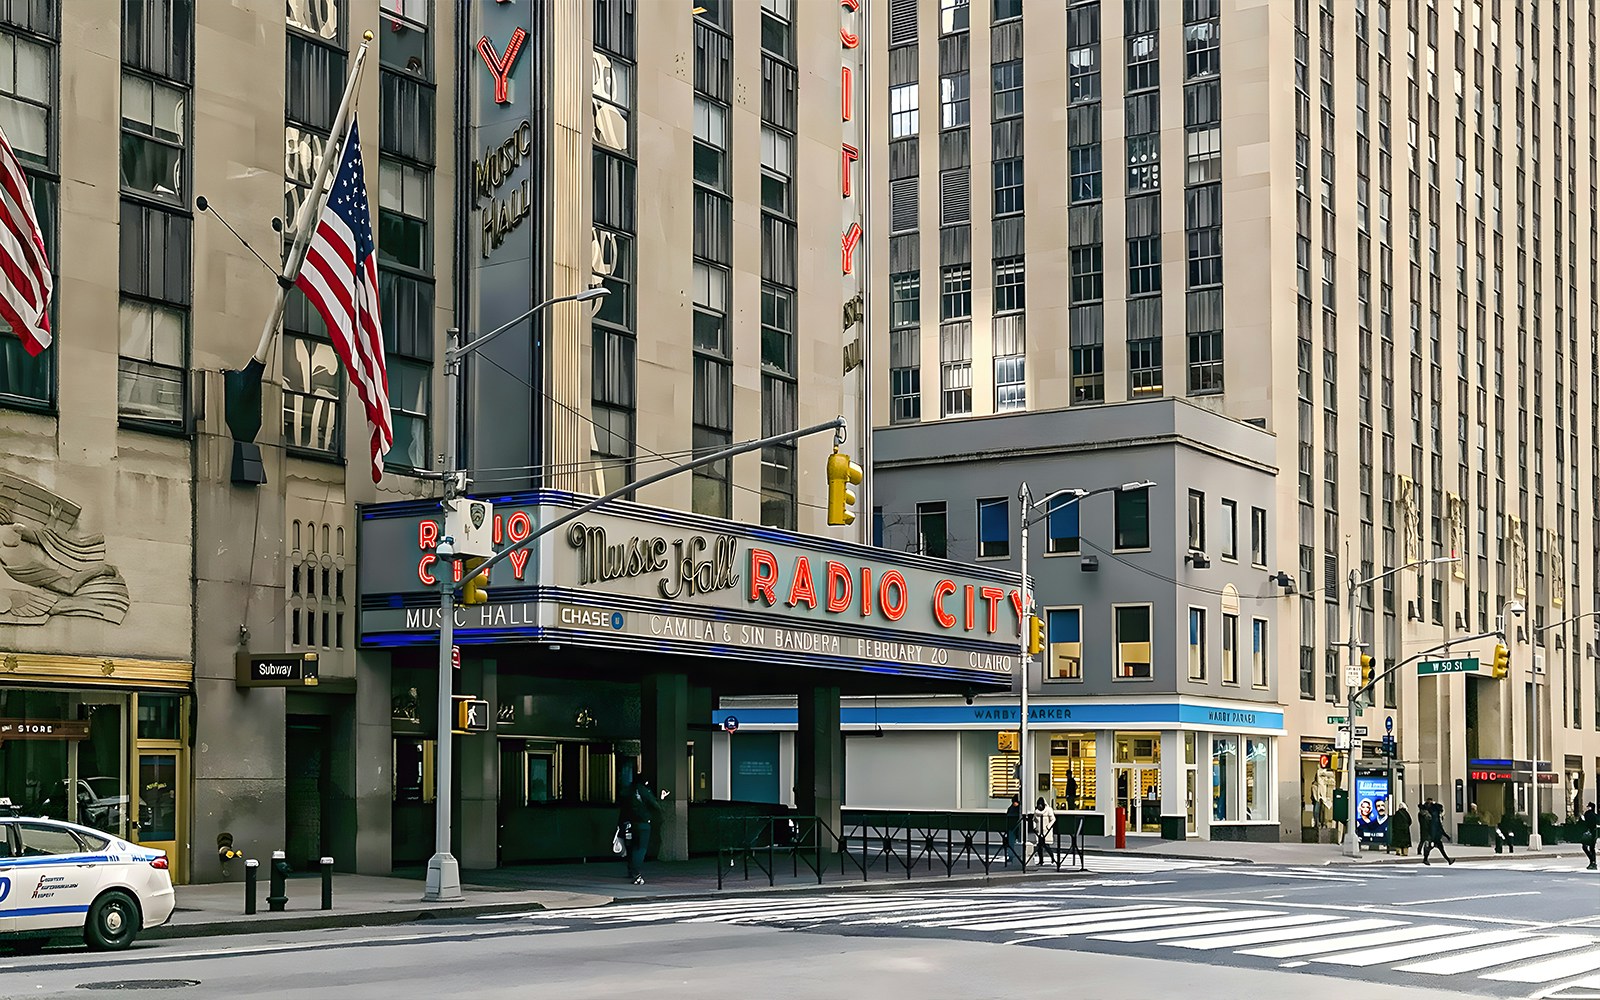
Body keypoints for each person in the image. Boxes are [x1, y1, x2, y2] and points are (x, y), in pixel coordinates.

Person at [617, 772, 666, 885]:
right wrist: (661, 798)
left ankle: (631, 870)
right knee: (641, 848)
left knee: (633, 847)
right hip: (643, 823)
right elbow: (655, 806)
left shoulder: (628, 792)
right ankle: (636, 873)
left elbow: (623, 810)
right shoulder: (645, 791)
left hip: (630, 824)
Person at [1421, 799, 1453, 865]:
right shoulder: (1435, 816)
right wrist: (1445, 835)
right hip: (1434, 835)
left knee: (1433, 847)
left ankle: (1448, 860)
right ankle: (1448, 860)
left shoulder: (1430, 814)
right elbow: (1438, 826)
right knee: (1434, 847)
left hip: (1433, 834)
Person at [1033, 797, 1057, 865]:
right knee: (1039, 847)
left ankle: (1052, 858)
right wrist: (1034, 827)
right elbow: (1034, 820)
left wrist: (1048, 826)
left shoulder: (1049, 810)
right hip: (1039, 831)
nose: (1040, 806)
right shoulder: (1036, 811)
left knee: (1046, 846)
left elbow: (1053, 819)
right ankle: (1041, 860)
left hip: (1046, 831)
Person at [1002, 795, 1022, 865]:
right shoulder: (1020, 808)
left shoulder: (1011, 808)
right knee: (1014, 843)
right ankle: (1015, 857)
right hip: (1017, 827)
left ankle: (1011, 857)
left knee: (1011, 843)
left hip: (1011, 827)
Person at [1582, 802, 1598, 871]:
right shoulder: (1595, 815)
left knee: (1585, 847)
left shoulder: (1588, 814)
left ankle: (1592, 862)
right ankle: (1593, 862)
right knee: (1592, 848)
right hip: (1593, 833)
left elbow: (1585, 822)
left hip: (1589, 832)